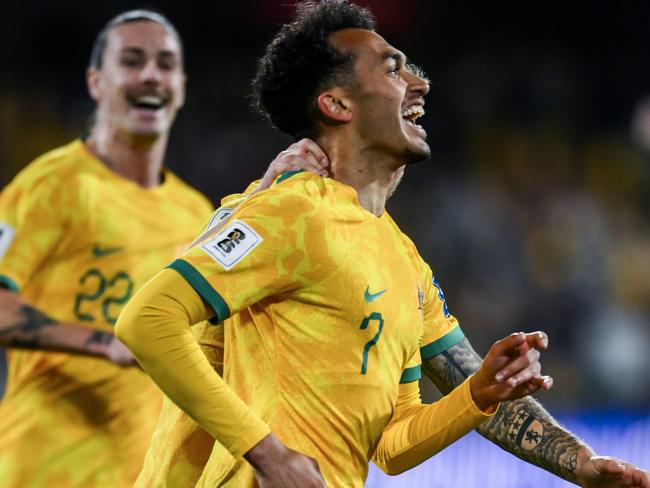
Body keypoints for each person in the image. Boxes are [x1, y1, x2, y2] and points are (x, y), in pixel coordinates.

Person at [114, 1, 561, 486]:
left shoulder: (400, 260)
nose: (421, 83)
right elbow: (148, 319)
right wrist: (269, 454)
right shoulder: (288, 207)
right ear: (338, 104)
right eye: (393, 69)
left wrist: (476, 394)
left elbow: (390, 445)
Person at [0, 9, 329, 487]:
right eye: (132, 61)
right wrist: (104, 342)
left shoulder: (189, 208)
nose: (151, 74)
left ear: (180, 85)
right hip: (47, 470)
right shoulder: (52, 185)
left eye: (165, 63)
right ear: (96, 81)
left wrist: (266, 194)